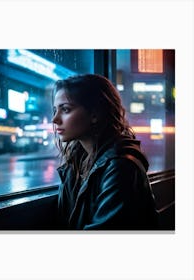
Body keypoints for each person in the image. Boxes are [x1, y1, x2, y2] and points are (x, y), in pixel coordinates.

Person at [51, 74, 158, 230]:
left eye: (65, 109)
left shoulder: (120, 166)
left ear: (95, 114)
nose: (55, 119)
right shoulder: (75, 165)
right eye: (55, 110)